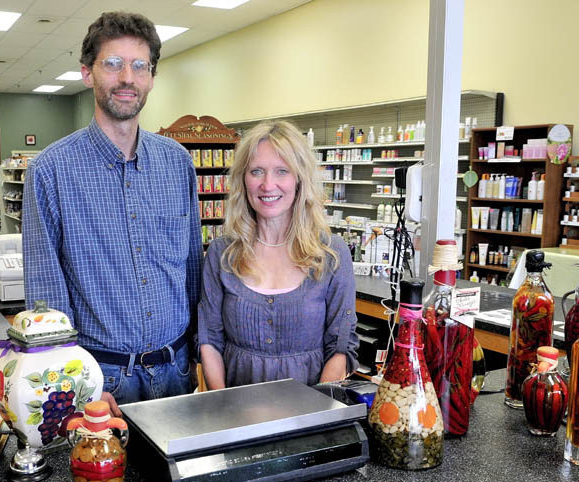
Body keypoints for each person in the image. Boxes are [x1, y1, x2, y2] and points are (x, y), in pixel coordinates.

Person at [22, 12, 202, 416]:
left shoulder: (178, 164)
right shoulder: (50, 171)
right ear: (88, 73)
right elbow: (46, 296)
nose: (128, 78)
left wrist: (197, 352)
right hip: (101, 380)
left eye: (140, 66)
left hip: (177, 372)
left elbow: (192, 268)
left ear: (152, 77)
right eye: (113, 64)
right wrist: (75, 383)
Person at [198, 121, 359, 389]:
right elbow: (209, 341)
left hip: (310, 418)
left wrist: (315, 416)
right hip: (234, 415)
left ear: (299, 179)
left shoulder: (331, 255)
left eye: (282, 171)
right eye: (257, 171)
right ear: (242, 179)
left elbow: (340, 347)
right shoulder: (221, 254)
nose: (267, 184)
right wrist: (222, 408)